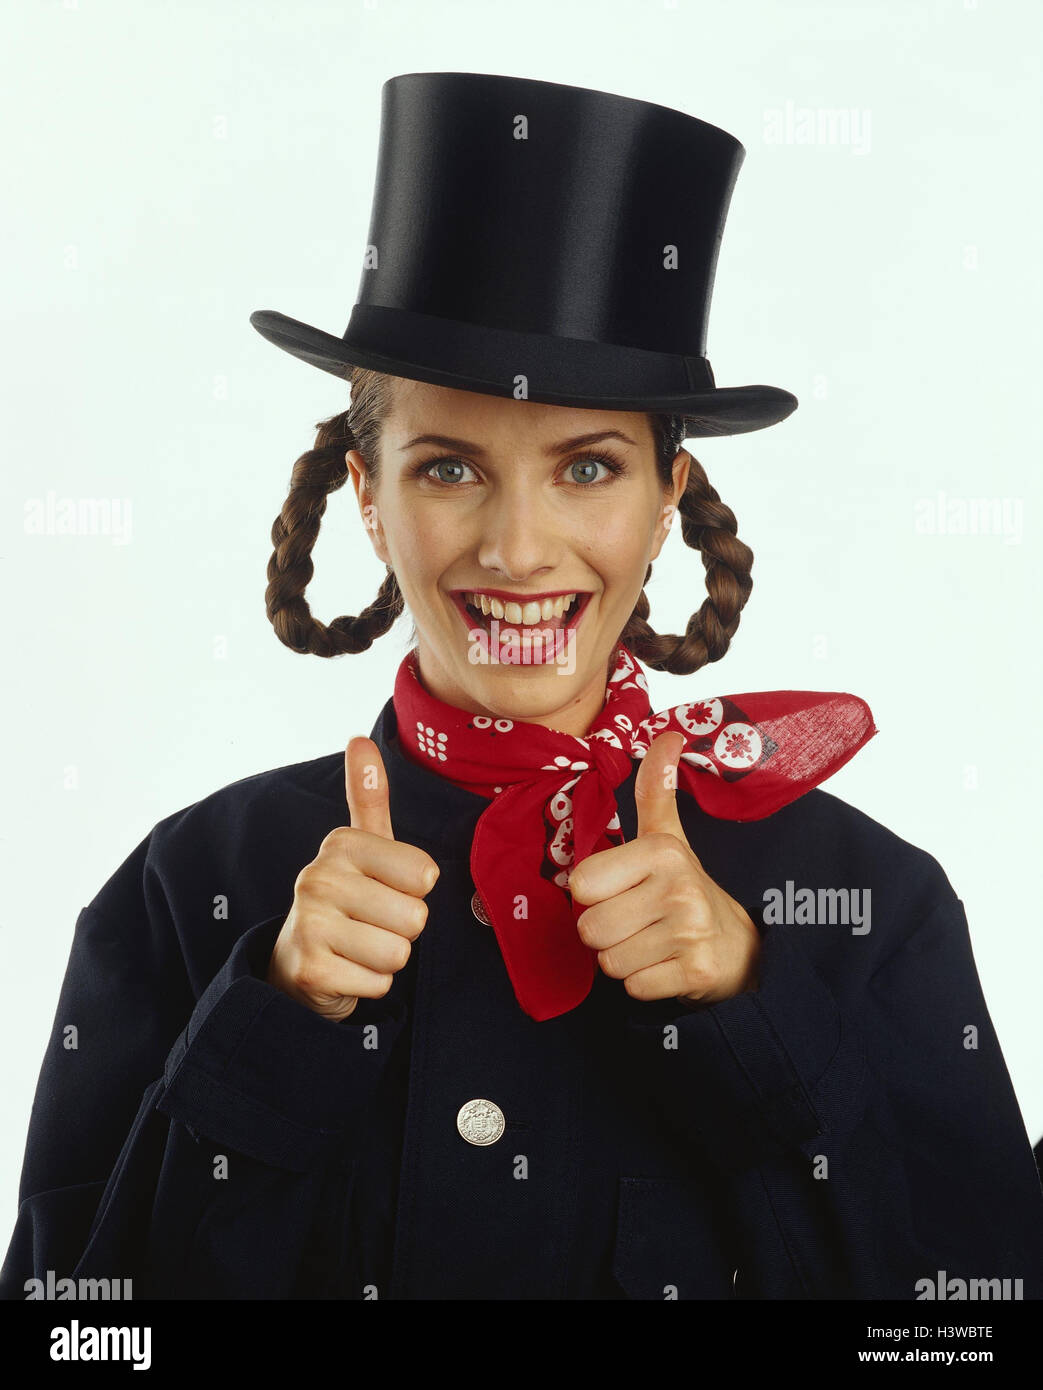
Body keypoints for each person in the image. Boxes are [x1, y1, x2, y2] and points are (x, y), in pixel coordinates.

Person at [3, 72, 1042, 1302]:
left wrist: (757, 1019)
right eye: (447, 470)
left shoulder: (871, 907)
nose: (515, 548)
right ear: (370, 502)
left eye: (587, 467)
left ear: (666, 502)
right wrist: (272, 1028)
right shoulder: (186, 891)